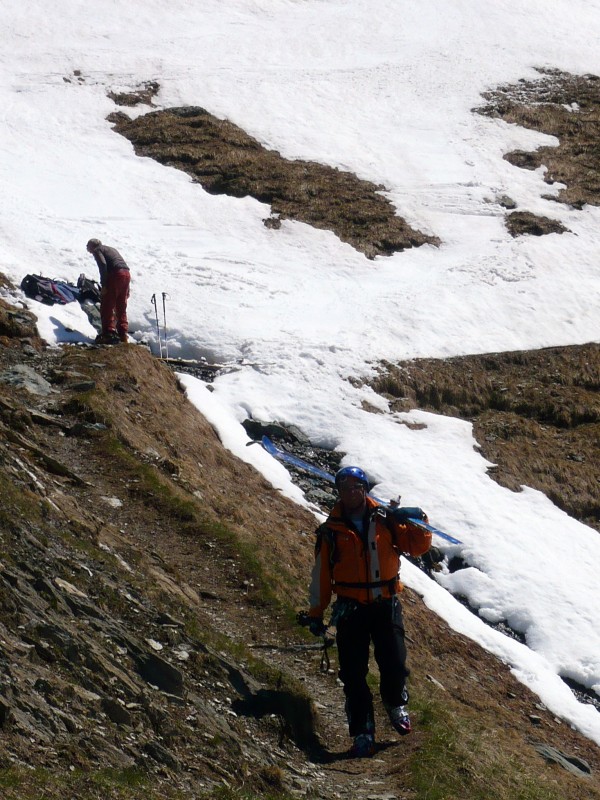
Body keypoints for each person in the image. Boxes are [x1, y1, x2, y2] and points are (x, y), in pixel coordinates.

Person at [307, 465, 432, 758]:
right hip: (350, 607)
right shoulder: (331, 531)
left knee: (394, 663)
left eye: (357, 487)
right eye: (345, 488)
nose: (352, 493)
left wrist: (417, 519)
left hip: (385, 603)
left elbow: (418, 545)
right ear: (338, 491)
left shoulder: (386, 521)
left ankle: (395, 703)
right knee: (353, 673)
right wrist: (316, 612)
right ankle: (363, 731)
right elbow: (322, 575)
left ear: (364, 489)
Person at [86, 238, 131, 344]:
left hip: (115, 275)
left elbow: (103, 264)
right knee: (121, 305)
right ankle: (123, 333)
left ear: (92, 246)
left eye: (87, 246)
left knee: (107, 304)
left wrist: (104, 285)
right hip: (126, 274)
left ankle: (108, 333)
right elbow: (123, 266)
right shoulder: (111, 249)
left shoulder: (98, 250)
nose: (88, 250)